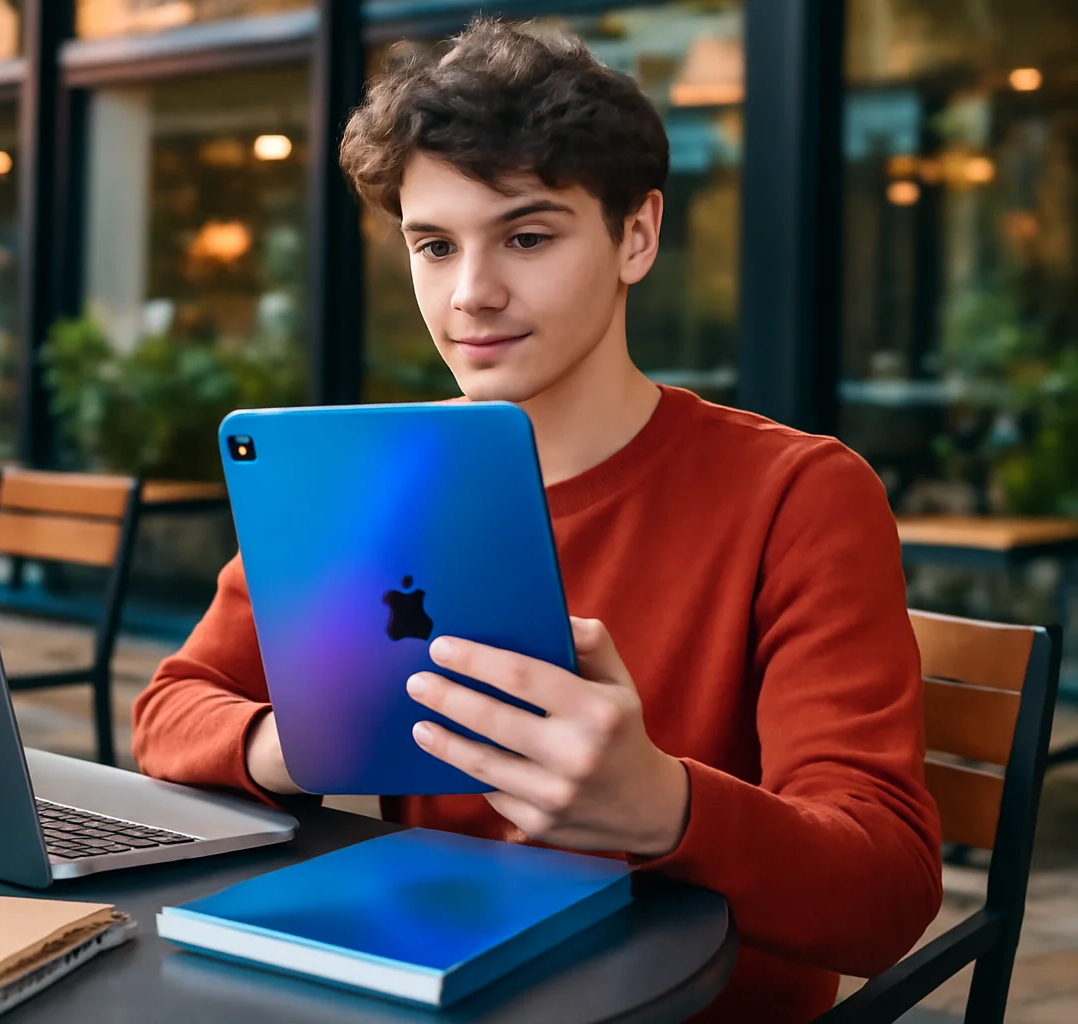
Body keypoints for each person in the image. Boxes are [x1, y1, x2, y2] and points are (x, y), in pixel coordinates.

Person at [132, 16, 941, 1023]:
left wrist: (664, 804)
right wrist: (298, 743)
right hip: (430, 981)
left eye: (526, 235)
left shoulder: (798, 494)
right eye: (434, 245)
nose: (471, 294)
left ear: (635, 235)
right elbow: (170, 711)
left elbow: (884, 895)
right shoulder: (370, 476)